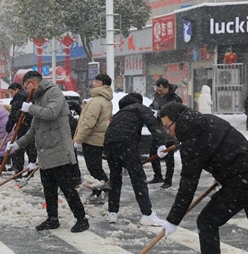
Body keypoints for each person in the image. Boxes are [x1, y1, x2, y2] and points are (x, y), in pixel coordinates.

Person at [159, 102, 248, 253]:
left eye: (168, 126)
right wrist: (222, 172)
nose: (168, 131)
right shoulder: (208, 120)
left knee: (207, 221)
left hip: (241, 183)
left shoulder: (191, 142)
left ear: (178, 120)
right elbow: (227, 148)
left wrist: (173, 220)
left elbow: (187, 187)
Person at [6, 71, 89, 233]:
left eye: (26, 86)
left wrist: (31, 108)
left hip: (59, 151)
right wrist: (17, 144)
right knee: (49, 190)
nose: (26, 90)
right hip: (45, 153)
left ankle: (81, 219)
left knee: (68, 189)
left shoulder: (54, 93)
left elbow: (51, 113)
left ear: (32, 83)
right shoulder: (37, 98)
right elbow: (33, 131)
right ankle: (52, 219)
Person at [104, 93, 172, 225]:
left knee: (115, 179)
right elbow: (153, 124)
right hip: (126, 143)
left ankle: (112, 213)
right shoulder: (139, 108)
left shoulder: (119, 114)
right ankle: (147, 214)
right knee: (138, 179)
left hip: (109, 144)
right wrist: (162, 143)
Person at [73, 74, 113, 201]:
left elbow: (88, 123)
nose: (94, 83)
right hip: (98, 138)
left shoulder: (96, 101)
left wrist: (78, 139)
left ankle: (104, 188)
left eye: (97, 81)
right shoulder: (105, 99)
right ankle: (98, 190)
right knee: (95, 167)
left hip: (92, 139)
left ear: (104, 84)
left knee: (94, 168)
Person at [148, 78, 182, 189]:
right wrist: (150, 110)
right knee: (153, 153)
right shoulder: (157, 96)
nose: (159, 92)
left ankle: (168, 180)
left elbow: (172, 113)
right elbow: (153, 106)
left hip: (170, 131)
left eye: (161, 90)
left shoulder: (175, 99)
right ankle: (157, 176)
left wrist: (158, 113)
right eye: (157, 90)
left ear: (167, 88)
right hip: (158, 131)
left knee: (169, 157)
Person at [4, 83, 37, 175]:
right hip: (31, 125)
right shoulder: (29, 97)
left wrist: (8, 128)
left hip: (23, 126)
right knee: (31, 148)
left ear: (16, 90)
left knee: (19, 148)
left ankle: (19, 169)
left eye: (11, 92)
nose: (11, 95)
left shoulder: (18, 99)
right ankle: (31, 168)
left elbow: (13, 116)